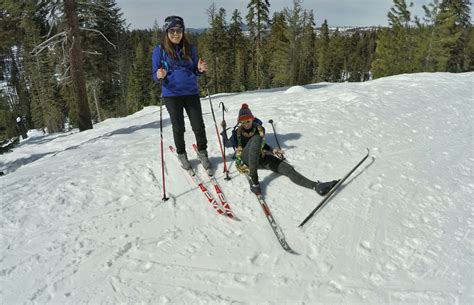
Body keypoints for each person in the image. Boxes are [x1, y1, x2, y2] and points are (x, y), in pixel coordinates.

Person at [221, 103, 339, 195]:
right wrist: (224, 132)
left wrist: (272, 151)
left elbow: (261, 144)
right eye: (243, 121)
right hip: (246, 158)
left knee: (287, 168)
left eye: (248, 120)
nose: (246, 123)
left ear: (252, 119)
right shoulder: (237, 132)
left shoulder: (258, 129)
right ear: (239, 122)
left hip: (260, 157)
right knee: (256, 139)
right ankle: (254, 181)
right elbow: (227, 144)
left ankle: (316, 186)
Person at [152, 15, 210, 171]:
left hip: (191, 92)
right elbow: (155, 74)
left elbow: (196, 70)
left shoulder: (191, 49)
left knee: (198, 125)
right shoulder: (160, 50)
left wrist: (200, 69)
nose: (175, 34)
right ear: (167, 32)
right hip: (171, 94)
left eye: (179, 30)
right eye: (172, 31)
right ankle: (182, 153)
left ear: (183, 31)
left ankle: (202, 151)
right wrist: (159, 75)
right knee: (178, 127)